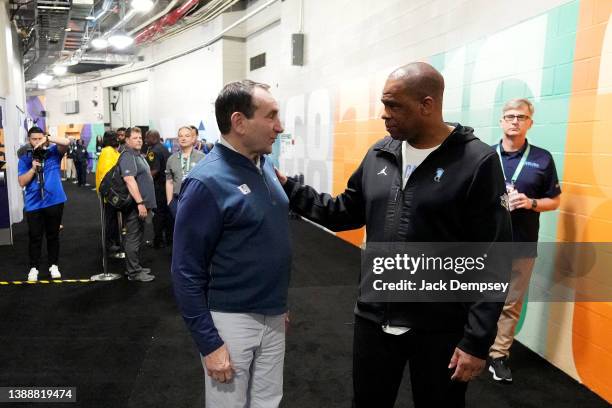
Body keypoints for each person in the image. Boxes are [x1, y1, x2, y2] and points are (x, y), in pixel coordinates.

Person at [275, 62, 512, 408]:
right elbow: (343, 211)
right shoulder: (380, 153)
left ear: (427, 104)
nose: (384, 115)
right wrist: (289, 188)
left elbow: (493, 256)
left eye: (393, 105)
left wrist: (477, 341)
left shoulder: (477, 161)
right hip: (374, 320)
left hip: (440, 328)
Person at [172, 80, 290, 408]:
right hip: (229, 321)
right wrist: (209, 343)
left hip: (273, 314)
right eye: (271, 116)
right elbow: (185, 272)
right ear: (239, 122)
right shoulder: (205, 183)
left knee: (268, 402)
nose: (279, 127)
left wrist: (278, 306)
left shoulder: (263, 165)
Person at [487, 98, 561, 382]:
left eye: (521, 116)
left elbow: (554, 201)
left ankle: (498, 354)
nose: (514, 121)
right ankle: (468, 345)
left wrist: (530, 202)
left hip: (522, 242)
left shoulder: (542, 158)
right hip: (486, 242)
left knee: (511, 302)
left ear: (530, 122)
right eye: (509, 116)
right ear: (501, 121)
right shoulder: (485, 155)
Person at [18, 127, 71, 281]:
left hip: (54, 201)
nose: (37, 141)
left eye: (39, 138)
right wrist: (33, 168)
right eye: (34, 139)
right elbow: (22, 182)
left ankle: (53, 265)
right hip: (34, 204)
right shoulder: (25, 159)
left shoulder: (54, 152)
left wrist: (48, 138)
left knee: (53, 235)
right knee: (35, 236)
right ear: (29, 140)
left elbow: (67, 142)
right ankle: (34, 267)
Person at [119, 127, 156, 282]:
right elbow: (129, 180)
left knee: (138, 236)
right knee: (133, 238)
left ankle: (135, 267)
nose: (139, 140)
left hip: (143, 204)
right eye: (135, 138)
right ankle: (133, 272)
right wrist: (140, 203)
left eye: (140, 137)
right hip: (135, 205)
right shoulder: (127, 155)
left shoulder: (137, 155)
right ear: (127, 140)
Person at [165, 126, 205, 218]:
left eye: (187, 136)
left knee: (196, 230)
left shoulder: (202, 157)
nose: (183, 138)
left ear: (192, 139)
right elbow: (169, 181)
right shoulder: (171, 159)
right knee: (178, 230)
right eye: (180, 136)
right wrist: (169, 202)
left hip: (196, 200)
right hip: (177, 200)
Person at [95, 131, 123, 257]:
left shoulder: (112, 151)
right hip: (110, 194)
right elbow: (108, 175)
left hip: (112, 192)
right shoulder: (107, 151)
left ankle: (115, 242)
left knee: (114, 220)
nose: (116, 139)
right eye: (114, 137)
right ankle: (111, 244)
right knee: (110, 220)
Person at [144, 129, 171, 248]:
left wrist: (141, 180)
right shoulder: (164, 148)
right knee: (166, 213)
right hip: (167, 186)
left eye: (146, 138)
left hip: (158, 187)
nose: (145, 141)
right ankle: (168, 239)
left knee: (158, 214)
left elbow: (153, 171)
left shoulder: (153, 152)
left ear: (153, 138)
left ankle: (158, 241)